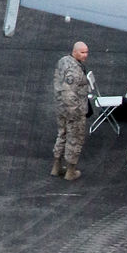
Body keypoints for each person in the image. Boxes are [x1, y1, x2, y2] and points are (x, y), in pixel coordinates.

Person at [52, 40, 89, 180]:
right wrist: (75, 112)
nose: (85, 55)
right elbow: (69, 92)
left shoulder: (63, 61)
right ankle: (70, 171)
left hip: (61, 108)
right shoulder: (74, 71)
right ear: (75, 52)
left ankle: (56, 166)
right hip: (73, 110)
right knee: (75, 139)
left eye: (86, 52)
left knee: (62, 135)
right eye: (82, 52)